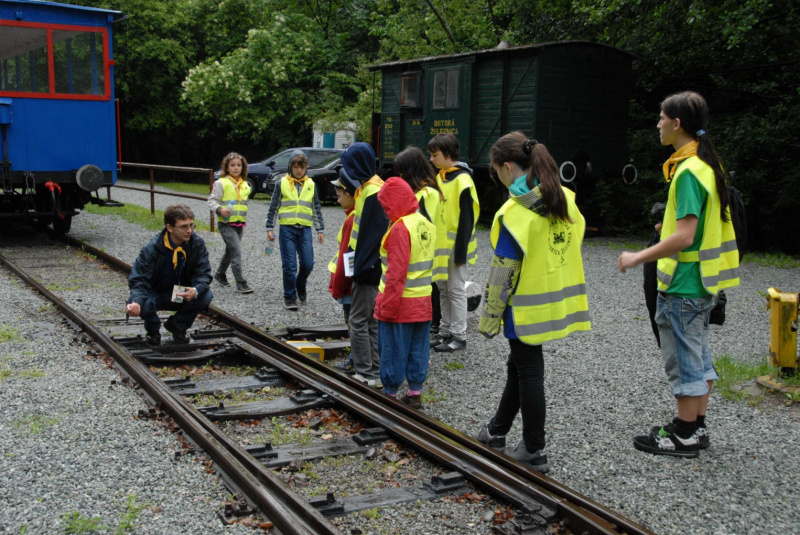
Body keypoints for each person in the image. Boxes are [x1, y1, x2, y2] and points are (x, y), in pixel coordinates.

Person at [617, 91, 740, 458]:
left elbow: (685, 236)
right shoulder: (708, 166)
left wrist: (638, 256)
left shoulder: (687, 172)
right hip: (704, 281)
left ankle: (683, 435)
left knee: (685, 361)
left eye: (661, 117)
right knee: (700, 357)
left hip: (683, 283)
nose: (657, 123)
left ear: (677, 123)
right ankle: (696, 427)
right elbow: (696, 228)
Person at [474, 132, 591, 473]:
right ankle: (497, 430)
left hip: (525, 306)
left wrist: (489, 319)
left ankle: (534, 448)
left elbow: (502, 274)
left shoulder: (514, 213)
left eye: (496, 172)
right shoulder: (566, 198)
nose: (497, 178)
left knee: (529, 370)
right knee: (520, 365)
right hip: (556, 299)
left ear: (508, 168)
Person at [374, 177, 437, 408]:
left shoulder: (401, 228)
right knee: (418, 349)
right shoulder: (426, 225)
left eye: (386, 205)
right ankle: (414, 393)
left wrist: (385, 307)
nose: (385, 210)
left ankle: (389, 395)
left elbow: (396, 274)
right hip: (423, 302)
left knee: (392, 349)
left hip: (399, 304)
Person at [337, 142, 389, 388]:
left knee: (358, 320)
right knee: (371, 321)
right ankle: (375, 372)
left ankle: (364, 372)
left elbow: (369, 236)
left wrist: (358, 270)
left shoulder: (370, 193)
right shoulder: (373, 188)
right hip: (372, 266)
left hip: (367, 269)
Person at [126, 205, 214, 345]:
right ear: (170, 227)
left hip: (180, 293)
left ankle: (177, 327)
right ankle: (153, 331)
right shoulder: (152, 248)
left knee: (206, 295)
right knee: (143, 303)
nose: (189, 230)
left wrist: (195, 290)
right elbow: (139, 279)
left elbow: (204, 274)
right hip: (157, 293)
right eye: (183, 227)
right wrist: (136, 302)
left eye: (191, 225)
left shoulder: (196, 244)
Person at [427, 133, 479, 352]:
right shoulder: (441, 177)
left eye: (435, 154)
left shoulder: (463, 180)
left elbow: (466, 221)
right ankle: (445, 332)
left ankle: (459, 335)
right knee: (443, 289)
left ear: (448, 154)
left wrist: (460, 254)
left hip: (454, 249)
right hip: (441, 248)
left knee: (455, 290)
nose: (431, 159)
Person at [392, 147, 446, 338]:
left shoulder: (427, 193)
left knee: (430, 288)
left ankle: (433, 325)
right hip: (422, 251)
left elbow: (425, 226)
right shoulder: (425, 190)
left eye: (401, 172)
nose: (399, 176)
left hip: (424, 252)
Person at [265, 150, 325, 310]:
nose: (299, 170)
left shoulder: (311, 185)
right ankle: (290, 296)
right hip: (287, 230)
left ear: (306, 168)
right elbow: (274, 206)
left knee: (308, 263)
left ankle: (300, 283)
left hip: (304, 229)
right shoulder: (281, 183)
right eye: (296, 167)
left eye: (302, 167)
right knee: (289, 265)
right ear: (290, 167)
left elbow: (316, 208)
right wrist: (269, 227)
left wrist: (320, 229)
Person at [208, 152, 254, 294]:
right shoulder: (221, 183)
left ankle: (220, 274)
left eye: (239, 165)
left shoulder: (245, 185)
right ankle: (240, 282)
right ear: (227, 167)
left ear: (243, 167)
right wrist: (220, 210)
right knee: (236, 252)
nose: (236, 168)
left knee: (230, 251)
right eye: (232, 165)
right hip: (225, 224)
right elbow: (211, 201)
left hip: (239, 224)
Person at [328, 177, 357, 373]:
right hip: (351, 283)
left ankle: (356, 360)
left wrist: (338, 287)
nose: (337, 200)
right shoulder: (355, 215)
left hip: (349, 286)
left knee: (353, 324)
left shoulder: (352, 220)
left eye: (339, 196)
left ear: (349, 195)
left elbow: (348, 256)